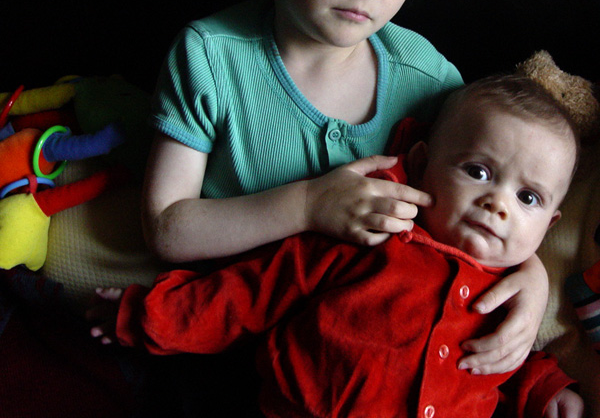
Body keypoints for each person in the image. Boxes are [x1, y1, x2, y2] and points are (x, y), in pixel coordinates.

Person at [141, 0, 548, 378]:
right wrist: (308, 205)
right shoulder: (210, 56)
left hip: (371, 353)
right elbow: (166, 227)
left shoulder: (430, 79)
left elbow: (491, 191)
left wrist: (533, 274)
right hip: (229, 330)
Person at [88, 74, 584, 418]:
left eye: (528, 198)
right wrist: (149, 316)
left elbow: (504, 358)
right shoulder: (368, 234)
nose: (499, 204)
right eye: (477, 171)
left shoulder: (510, 296)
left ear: (549, 225)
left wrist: (545, 390)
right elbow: (251, 292)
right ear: (420, 163)